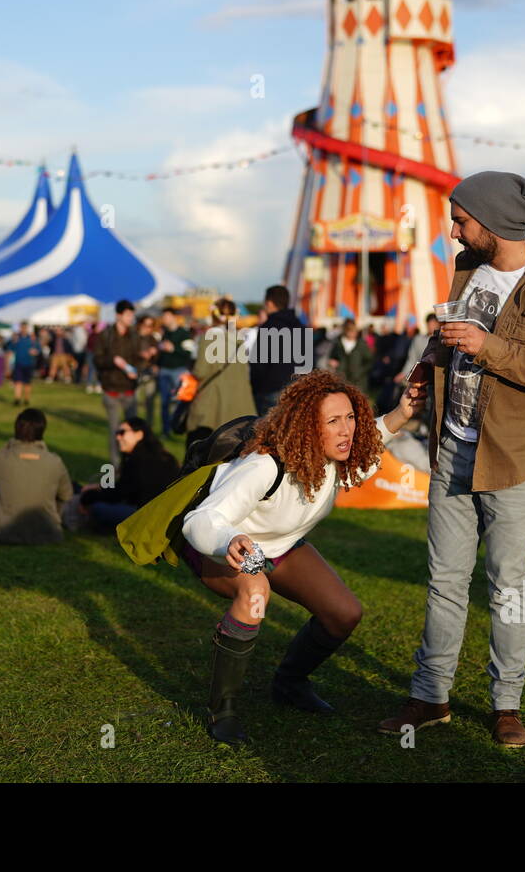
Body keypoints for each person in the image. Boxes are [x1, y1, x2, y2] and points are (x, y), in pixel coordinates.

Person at [378, 170, 525, 749]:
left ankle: (506, 704)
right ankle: (431, 696)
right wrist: (426, 362)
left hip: (517, 459)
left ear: (495, 221)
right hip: (452, 447)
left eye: (461, 219)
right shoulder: (469, 266)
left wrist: (488, 347)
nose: (453, 230)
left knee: (507, 587)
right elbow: (449, 332)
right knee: (444, 582)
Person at [180, 369, 425, 745]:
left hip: (279, 548)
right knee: (256, 592)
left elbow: (369, 446)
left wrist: (401, 413)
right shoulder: (264, 465)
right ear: (308, 428)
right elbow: (201, 520)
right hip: (224, 548)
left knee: (345, 613)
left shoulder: (331, 458)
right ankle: (222, 711)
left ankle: (289, 684)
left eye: (350, 418)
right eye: (333, 421)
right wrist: (229, 540)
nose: (347, 430)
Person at [0, 407, 73, 544]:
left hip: (4, 531)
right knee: (60, 496)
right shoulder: (55, 461)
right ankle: (47, 522)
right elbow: (67, 495)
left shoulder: (4, 457)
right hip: (48, 533)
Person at [77, 417, 180, 529]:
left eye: (122, 432)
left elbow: (119, 494)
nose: (118, 437)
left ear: (139, 434)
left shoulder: (137, 459)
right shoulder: (164, 456)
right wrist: (99, 488)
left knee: (98, 508)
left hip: (147, 516)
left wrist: (88, 497)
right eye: (117, 433)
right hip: (169, 514)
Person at [185, 299, 256, 450]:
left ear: (213, 315)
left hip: (211, 403)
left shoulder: (208, 338)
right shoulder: (239, 339)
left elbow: (200, 371)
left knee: (199, 454)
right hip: (237, 404)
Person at [91, 300, 149, 467]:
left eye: (132, 314)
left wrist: (139, 366)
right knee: (116, 433)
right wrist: (113, 360)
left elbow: (138, 360)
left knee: (134, 433)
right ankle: (116, 469)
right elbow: (97, 360)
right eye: (128, 314)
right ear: (118, 315)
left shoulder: (135, 336)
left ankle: (132, 466)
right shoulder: (105, 335)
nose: (131, 318)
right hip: (112, 391)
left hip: (130, 391)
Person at [249, 284, 303, 414]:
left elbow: (259, 365)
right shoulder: (301, 327)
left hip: (270, 391)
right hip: (298, 390)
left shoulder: (268, 327)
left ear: (269, 303)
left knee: (269, 432)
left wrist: (255, 388)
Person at [155, 308, 193, 436]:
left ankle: (177, 427)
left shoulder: (184, 333)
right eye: (163, 317)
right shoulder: (164, 333)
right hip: (164, 370)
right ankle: (166, 431)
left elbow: (189, 352)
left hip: (178, 370)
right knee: (164, 402)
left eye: (166, 316)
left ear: (173, 317)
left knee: (178, 402)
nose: (164, 319)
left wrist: (174, 349)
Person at [328, 318, 372, 394]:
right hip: (342, 377)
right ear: (346, 331)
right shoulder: (338, 343)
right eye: (351, 331)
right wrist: (333, 362)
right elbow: (332, 356)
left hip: (358, 380)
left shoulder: (361, 344)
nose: (353, 334)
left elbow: (369, 360)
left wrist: (360, 371)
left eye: (355, 331)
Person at [8, 322, 39, 406]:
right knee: (18, 382)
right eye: (22, 328)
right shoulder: (16, 338)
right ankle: (17, 399)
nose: (23, 329)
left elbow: (38, 349)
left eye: (25, 328)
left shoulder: (32, 339)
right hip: (18, 363)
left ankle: (26, 399)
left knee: (27, 383)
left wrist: (35, 352)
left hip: (29, 363)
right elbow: (10, 349)